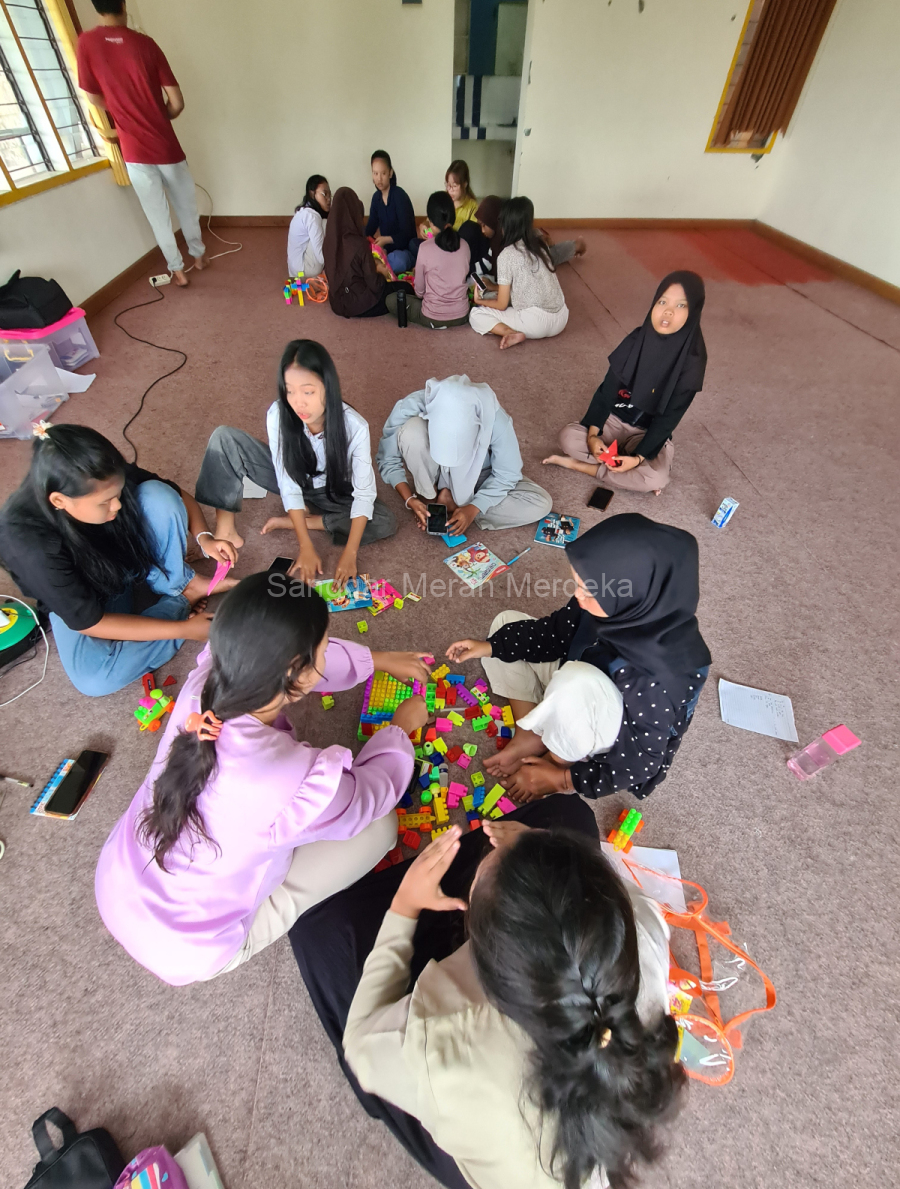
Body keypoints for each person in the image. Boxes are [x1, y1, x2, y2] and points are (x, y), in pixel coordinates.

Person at [291, 800, 684, 1189]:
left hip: (482, 1131)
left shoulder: (448, 1044)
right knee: (572, 816)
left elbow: (362, 1048)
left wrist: (404, 906)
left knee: (316, 933)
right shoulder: (640, 926)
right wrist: (538, 846)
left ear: (487, 958)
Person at [95, 572, 432, 986]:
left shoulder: (205, 681)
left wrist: (376, 660)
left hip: (115, 883)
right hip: (188, 949)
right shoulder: (292, 776)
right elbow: (368, 796)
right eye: (325, 646)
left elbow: (285, 658)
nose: (328, 651)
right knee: (380, 828)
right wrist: (400, 730)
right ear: (297, 671)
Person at [445, 514, 711, 801]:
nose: (577, 595)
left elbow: (642, 763)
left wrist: (562, 779)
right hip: (580, 672)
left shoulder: (658, 677)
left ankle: (557, 756)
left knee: (574, 682)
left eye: (588, 590)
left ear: (632, 598)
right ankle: (532, 734)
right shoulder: (612, 602)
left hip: (610, 724)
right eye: (579, 584)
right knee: (505, 624)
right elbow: (554, 633)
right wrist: (489, 647)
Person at [0, 424, 236, 697]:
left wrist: (205, 538)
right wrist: (183, 630)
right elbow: (92, 622)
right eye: (105, 502)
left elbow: (176, 494)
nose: (118, 505)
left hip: (123, 560)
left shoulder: (98, 471)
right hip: (86, 597)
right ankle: (181, 599)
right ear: (59, 500)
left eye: (118, 493)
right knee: (94, 678)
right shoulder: (27, 546)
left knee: (159, 495)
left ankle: (179, 583)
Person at [195, 340, 396, 588]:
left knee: (385, 520)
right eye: (290, 391)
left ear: (328, 387)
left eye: (308, 392)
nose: (298, 403)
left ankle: (304, 520)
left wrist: (350, 553)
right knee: (224, 438)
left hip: (333, 490)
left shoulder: (355, 427)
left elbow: (364, 493)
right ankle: (226, 531)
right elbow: (287, 482)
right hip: (293, 478)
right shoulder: (278, 413)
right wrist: (305, 545)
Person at [77, 0, 208, 288]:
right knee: (186, 206)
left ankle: (178, 271)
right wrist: (158, 115)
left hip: (133, 151)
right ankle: (199, 256)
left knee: (156, 215)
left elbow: (93, 97)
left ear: (95, 5)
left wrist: (123, 113)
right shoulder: (146, 44)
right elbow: (177, 102)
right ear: (123, 3)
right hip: (166, 146)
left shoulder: (86, 43)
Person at [545, 273, 707, 495]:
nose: (668, 311)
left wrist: (638, 458)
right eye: (662, 302)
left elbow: (669, 418)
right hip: (614, 419)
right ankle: (622, 472)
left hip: (646, 433)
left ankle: (585, 467)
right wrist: (592, 436)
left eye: (680, 305)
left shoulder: (693, 361)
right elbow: (607, 391)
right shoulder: (637, 340)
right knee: (568, 438)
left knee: (655, 477)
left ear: (694, 311)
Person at [376, 375, 552, 535]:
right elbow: (387, 458)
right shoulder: (414, 404)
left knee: (540, 504)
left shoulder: (496, 418)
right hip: (435, 469)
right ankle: (429, 496)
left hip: (478, 475)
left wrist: (474, 508)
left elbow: (507, 474)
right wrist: (410, 499)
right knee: (411, 430)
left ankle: (454, 505)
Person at [469, 197, 569, 350]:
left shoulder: (507, 254)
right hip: (562, 318)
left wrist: (479, 300)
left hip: (535, 323)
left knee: (476, 315)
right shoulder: (540, 245)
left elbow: (501, 304)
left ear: (505, 225)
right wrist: (494, 287)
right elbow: (524, 284)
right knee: (506, 297)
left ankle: (510, 333)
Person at [386, 192, 470, 329]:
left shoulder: (425, 247)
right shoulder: (465, 245)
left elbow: (419, 292)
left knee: (391, 300)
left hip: (433, 316)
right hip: (462, 314)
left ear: (430, 221)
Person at [460, 195, 586, 280]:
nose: (481, 230)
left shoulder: (509, 239)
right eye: (480, 225)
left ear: (494, 221)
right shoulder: (490, 236)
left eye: (484, 225)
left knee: (549, 256)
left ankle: (577, 245)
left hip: (531, 247)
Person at [324, 187, 401, 319]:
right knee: (403, 289)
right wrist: (381, 273)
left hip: (337, 304)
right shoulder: (359, 244)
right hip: (360, 305)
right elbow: (376, 285)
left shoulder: (329, 242)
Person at [365, 150, 417, 274]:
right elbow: (370, 228)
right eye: (375, 173)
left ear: (390, 173)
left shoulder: (399, 195)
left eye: (383, 173)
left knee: (398, 261)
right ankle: (380, 267)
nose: (379, 178)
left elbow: (407, 233)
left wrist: (387, 239)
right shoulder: (376, 198)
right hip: (386, 251)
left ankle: (379, 268)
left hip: (405, 251)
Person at [287, 175, 331, 277]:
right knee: (326, 224)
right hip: (304, 272)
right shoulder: (312, 216)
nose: (329, 199)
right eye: (324, 194)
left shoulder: (304, 212)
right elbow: (321, 257)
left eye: (330, 194)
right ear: (312, 194)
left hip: (294, 272)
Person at [445, 159, 479, 229]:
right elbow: (431, 227)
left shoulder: (473, 207)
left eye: (454, 186)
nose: (450, 190)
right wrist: (426, 229)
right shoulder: (442, 200)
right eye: (448, 185)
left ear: (465, 184)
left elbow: (472, 233)